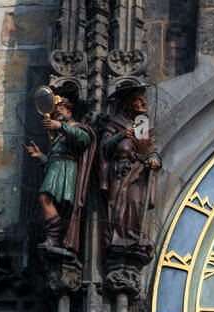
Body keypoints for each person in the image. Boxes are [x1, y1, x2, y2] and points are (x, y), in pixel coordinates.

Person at [23, 93, 95, 252]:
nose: (58, 116)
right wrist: (39, 156)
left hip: (66, 169)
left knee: (45, 199)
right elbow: (49, 162)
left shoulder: (77, 127)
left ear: (70, 112)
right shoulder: (58, 137)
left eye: (61, 111)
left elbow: (84, 139)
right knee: (52, 203)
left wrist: (60, 126)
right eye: (56, 114)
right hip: (56, 168)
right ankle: (55, 238)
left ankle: (54, 238)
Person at [99, 88, 161, 252]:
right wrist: (119, 136)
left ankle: (134, 238)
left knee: (135, 201)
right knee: (116, 204)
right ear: (129, 103)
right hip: (119, 169)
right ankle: (116, 239)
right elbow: (104, 147)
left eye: (143, 100)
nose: (144, 103)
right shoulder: (117, 122)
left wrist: (154, 158)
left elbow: (150, 148)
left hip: (138, 171)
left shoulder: (142, 125)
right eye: (139, 99)